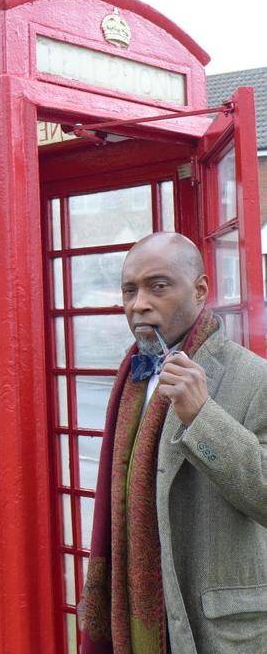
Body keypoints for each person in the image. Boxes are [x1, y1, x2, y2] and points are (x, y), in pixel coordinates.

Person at [79, 231, 267, 654]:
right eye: (130, 290)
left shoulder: (255, 379)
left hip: (213, 625)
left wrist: (203, 417)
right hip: (136, 608)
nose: (138, 303)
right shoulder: (131, 377)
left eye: (158, 286)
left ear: (200, 291)